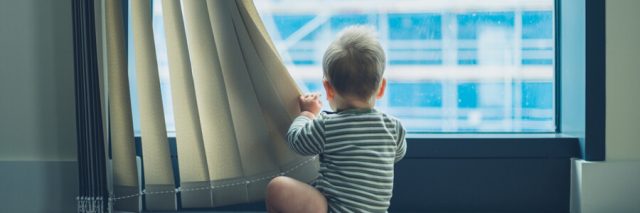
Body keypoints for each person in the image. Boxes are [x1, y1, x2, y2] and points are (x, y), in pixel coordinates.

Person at [266, 26, 407, 213]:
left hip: (333, 210)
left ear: (328, 88)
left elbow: (296, 141)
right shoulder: (393, 127)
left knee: (277, 187)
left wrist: (307, 114)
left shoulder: (327, 126)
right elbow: (398, 154)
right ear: (381, 88)